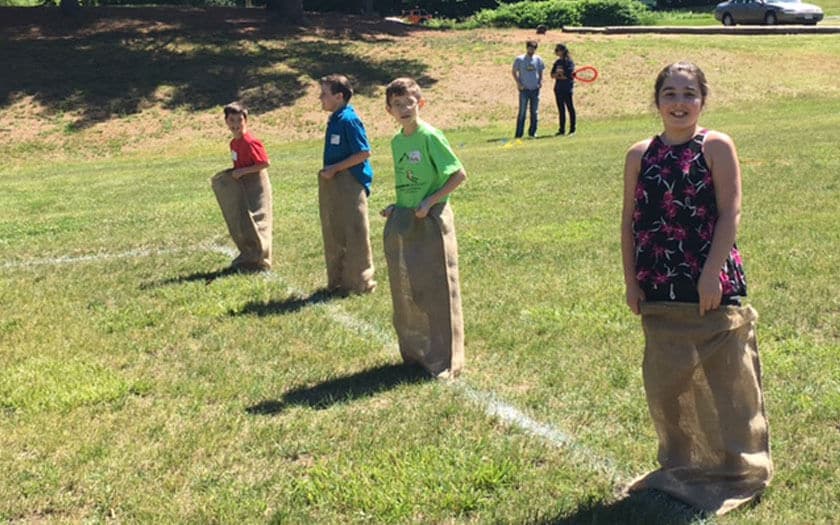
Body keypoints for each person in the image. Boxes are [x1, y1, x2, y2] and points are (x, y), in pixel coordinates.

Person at [620, 62, 772, 515]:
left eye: (689, 93)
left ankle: (740, 467)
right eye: (670, 93)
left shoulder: (716, 145)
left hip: (707, 277)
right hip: (657, 281)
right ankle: (681, 464)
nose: (679, 102)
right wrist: (631, 281)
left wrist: (711, 273)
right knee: (669, 382)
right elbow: (629, 222)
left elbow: (731, 213)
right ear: (657, 101)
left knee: (727, 379)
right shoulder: (639, 153)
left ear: (702, 100)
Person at [381, 77, 467, 378]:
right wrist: (397, 206)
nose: (404, 108)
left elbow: (458, 175)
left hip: (431, 220)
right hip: (407, 218)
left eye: (409, 103)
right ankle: (419, 352)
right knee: (413, 286)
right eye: (397, 104)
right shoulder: (397, 142)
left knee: (439, 286)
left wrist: (430, 202)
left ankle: (447, 359)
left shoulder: (430, 136)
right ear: (389, 110)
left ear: (421, 104)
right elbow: (408, 181)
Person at [317, 74, 376, 295]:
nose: (320, 98)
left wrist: (335, 168)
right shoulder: (335, 118)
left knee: (354, 232)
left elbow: (364, 152)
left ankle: (361, 281)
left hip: (351, 182)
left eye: (324, 93)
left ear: (339, 96)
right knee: (337, 230)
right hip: (336, 183)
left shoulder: (349, 120)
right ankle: (340, 280)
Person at [211, 102, 272, 272]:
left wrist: (244, 171)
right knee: (244, 221)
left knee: (258, 223)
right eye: (232, 120)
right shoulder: (234, 143)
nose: (236, 124)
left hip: (256, 185)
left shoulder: (250, 142)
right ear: (226, 122)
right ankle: (249, 255)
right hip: (243, 185)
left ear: (246, 121)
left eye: (240, 120)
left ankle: (262, 260)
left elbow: (264, 163)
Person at [511, 40, 545, 139]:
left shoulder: (538, 59)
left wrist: (540, 82)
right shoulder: (520, 59)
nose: (532, 50)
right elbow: (514, 72)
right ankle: (519, 134)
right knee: (522, 112)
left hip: (535, 89)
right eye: (530, 48)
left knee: (534, 112)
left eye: (533, 49)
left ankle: (532, 132)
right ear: (527, 48)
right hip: (524, 89)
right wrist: (518, 83)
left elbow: (541, 70)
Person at [550, 43, 576, 136]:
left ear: (563, 51)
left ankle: (572, 129)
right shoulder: (557, 62)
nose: (556, 52)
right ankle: (562, 130)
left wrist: (559, 76)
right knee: (561, 110)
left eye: (558, 50)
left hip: (567, 88)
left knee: (570, 108)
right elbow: (552, 74)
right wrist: (558, 76)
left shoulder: (569, 62)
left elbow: (568, 76)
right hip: (558, 88)